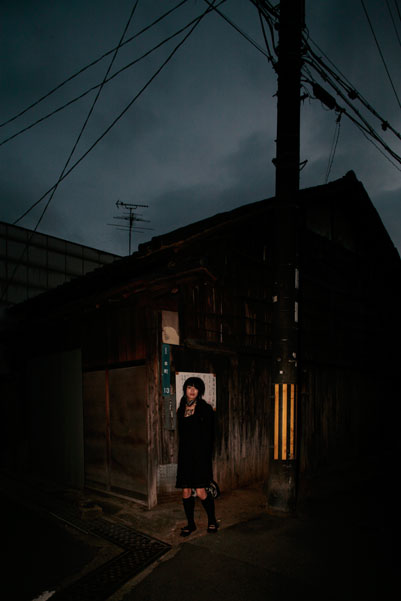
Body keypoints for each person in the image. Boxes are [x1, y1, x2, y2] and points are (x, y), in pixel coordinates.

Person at [176, 376, 218, 536]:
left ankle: (212, 520)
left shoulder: (205, 409)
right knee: (186, 491)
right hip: (185, 455)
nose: (192, 390)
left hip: (200, 455)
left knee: (201, 491)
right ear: (185, 390)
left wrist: (206, 455)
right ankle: (191, 524)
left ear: (199, 390)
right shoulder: (181, 408)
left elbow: (211, 434)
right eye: (189, 387)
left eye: (195, 387)